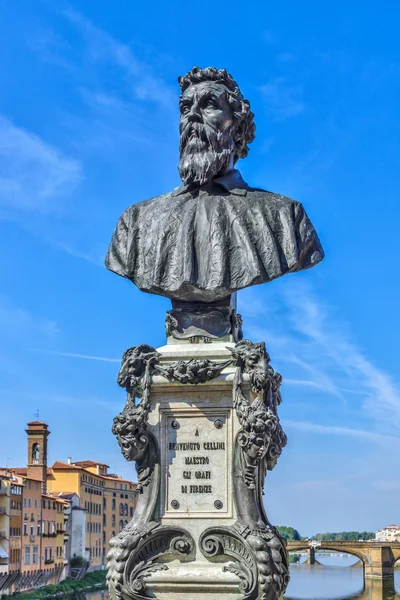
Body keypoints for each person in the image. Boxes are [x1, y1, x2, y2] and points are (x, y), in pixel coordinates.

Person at [106, 67, 324, 304]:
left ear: (238, 127)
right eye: (185, 108)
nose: (193, 117)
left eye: (209, 105)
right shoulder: (137, 220)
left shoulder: (284, 215)